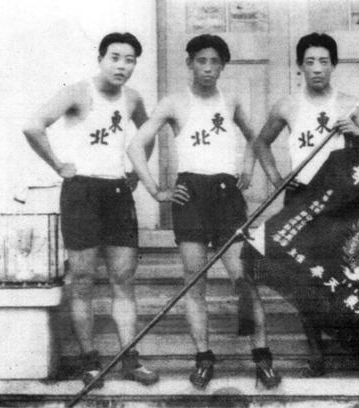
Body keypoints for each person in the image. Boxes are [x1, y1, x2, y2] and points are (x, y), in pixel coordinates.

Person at [127, 34, 281, 389]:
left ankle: (262, 359)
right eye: (201, 61)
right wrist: (156, 191)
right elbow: (136, 145)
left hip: (227, 196)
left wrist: (248, 167)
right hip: (191, 196)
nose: (208, 68)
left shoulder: (232, 100)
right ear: (190, 63)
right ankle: (204, 358)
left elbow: (255, 137)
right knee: (194, 282)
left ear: (223, 66)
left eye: (215, 62)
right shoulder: (174, 102)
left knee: (244, 278)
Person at [23, 32, 158, 387]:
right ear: (100, 58)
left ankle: (130, 358)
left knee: (123, 279)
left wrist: (136, 173)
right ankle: (89, 362)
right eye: (115, 57)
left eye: (129, 60)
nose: (122, 66)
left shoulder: (132, 98)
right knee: (82, 280)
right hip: (81, 191)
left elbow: (147, 134)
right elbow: (32, 126)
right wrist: (58, 165)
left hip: (117, 192)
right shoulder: (77, 93)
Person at [254, 32, 359, 376]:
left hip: (341, 198)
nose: (317, 68)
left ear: (333, 65)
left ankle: (358, 346)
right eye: (310, 62)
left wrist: (355, 131)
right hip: (302, 198)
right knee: (307, 276)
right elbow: (261, 142)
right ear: (300, 66)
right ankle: (316, 351)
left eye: (324, 61)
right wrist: (277, 178)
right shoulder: (287, 105)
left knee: (349, 272)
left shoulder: (348, 102)